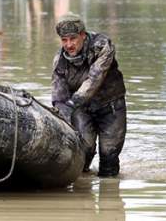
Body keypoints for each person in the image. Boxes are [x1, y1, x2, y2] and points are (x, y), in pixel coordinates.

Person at [51, 12, 127, 177]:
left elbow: (94, 79)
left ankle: (109, 193)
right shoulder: (60, 61)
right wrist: (61, 118)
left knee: (109, 156)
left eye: (73, 39)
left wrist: (72, 103)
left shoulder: (102, 46)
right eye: (64, 40)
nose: (69, 44)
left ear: (83, 36)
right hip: (82, 109)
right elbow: (59, 98)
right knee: (82, 152)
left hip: (111, 106)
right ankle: (81, 193)